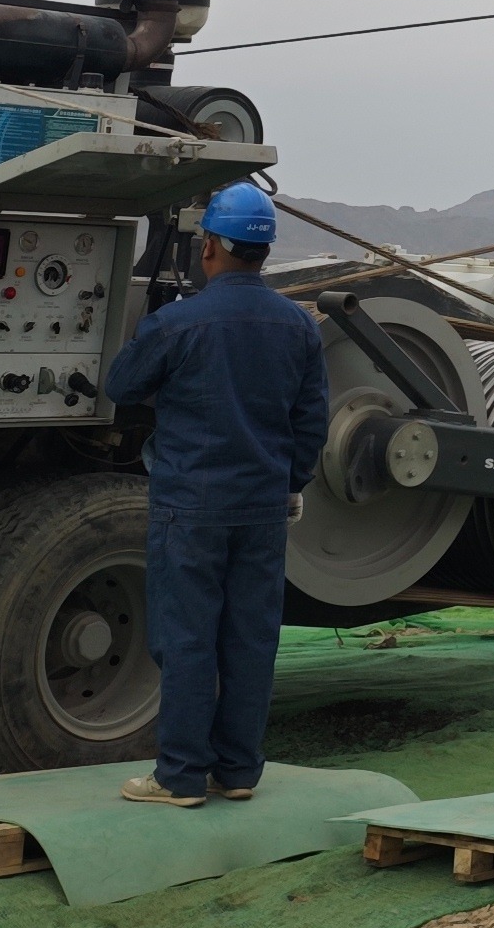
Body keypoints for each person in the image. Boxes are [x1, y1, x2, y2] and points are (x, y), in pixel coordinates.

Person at [101, 179, 327, 805]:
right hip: (263, 509)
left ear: (208, 247)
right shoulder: (298, 326)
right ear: (265, 250)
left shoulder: (177, 323)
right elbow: (311, 422)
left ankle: (179, 777)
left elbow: (121, 386)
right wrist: (290, 484)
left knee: (187, 638)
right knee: (250, 639)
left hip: (192, 506)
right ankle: (238, 773)